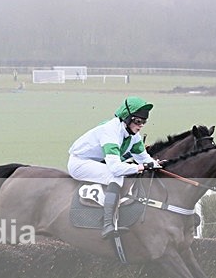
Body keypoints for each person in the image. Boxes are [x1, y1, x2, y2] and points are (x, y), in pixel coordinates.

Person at [68, 96, 159, 239]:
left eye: (144, 122)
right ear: (126, 118)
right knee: (115, 176)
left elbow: (144, 158)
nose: (141, 125)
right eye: (138, 121)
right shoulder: (110, 131)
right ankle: (108, 224)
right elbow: (116, 168)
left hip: (98, 162)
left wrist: (157, 164)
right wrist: (139, 168)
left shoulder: (134, 136)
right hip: (80, 163)